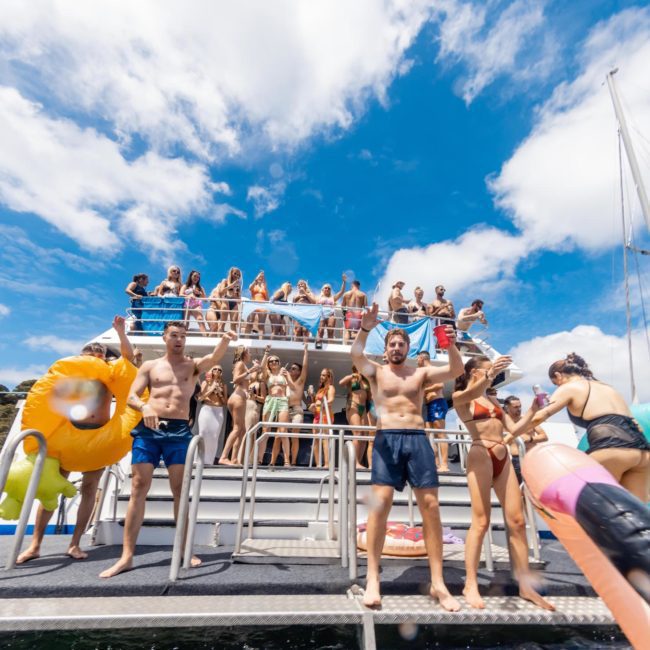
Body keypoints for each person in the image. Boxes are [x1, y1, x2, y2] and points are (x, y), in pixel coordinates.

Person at [99, 323, 235, 578]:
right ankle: (127, 556)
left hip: (178, 432)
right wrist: (144, 407)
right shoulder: (150, 366)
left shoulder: (193, 366)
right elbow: (131, 396)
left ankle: (184, 549)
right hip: (149, 429)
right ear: (165, 338)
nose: (179, 339)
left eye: (183, 336)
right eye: (174, 335)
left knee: (179, 491)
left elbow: (214, 357)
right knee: (139, 486)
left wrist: (225, 339)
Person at [351, 304, 464, 609]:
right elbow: (356, 356)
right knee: (380, 506)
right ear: (386, 348)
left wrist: (451, 344)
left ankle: (438, 583)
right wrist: (365, 328)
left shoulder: (421, 372)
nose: (397, 347)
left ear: (409, 348)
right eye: (392, 344)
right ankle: (373, 578)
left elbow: (456, 370)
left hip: (417, 439)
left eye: (401, 344)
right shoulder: (376, 372)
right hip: (387, 439)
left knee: (431, 506)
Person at [17, 316, 135, 565]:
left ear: (103, 358)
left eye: (98, 353)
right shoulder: (70, 376)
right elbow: (49, 401)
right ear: (81, 356)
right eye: (90, 352)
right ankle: (35, 544)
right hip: (67, 437)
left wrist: (121, 333)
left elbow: (128, 360)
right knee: (51, 491)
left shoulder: (109, 375)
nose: (94, 356)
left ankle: (75, 543)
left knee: (90, 489)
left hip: (99, 437)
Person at [453, 355, 554, 610]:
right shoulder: (462, 397)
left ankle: (525, 585)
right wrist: (486, 377)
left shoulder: (494, 400)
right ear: (474, 372)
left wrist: (533, 409)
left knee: (517, 522)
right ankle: (471, 584)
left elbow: (515, 429)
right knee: (481, 521)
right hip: (480, 454)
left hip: (503, 455)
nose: (494, 374)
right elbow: (471, 392)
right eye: (489, 371)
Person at [510, 353, 649, 502]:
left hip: (611, 448)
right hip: (642, 453)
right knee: (635, 511)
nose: (558, 387)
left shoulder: (569, 387)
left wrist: (510, 435)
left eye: (556, 383)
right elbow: (638, 426)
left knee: (594, 505)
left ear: (558, 375)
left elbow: (538, 417)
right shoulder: (608, 388)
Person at [219, 345, 264, 465]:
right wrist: (250, 370)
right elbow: (235, 379)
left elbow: (251, 378)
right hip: (237, 398)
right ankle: (223, 457)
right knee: (237, 428)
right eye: (249, 352)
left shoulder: (243, 365)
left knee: (242, 430)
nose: (250, 355)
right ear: (244, 353)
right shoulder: (240, 364)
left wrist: (256, 368)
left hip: (240, 398)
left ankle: (234, 458)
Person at [503, 395, 548, 484]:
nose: (519, 409)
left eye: (520, 406)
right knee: (519, 489)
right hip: (517, 459)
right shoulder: (503, 424)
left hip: (533, 457)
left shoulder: (528, 420)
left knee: (536, 486)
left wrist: (530, 439)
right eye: (515, 407)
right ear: (507, 408)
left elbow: (544, 437)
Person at [417, 351, 450, 472]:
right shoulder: (424, 374)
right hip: (428, 405)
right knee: (429, 434)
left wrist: (424, 390)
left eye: (417, 359)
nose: (417, 362)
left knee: (440, 433)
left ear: (422, 358)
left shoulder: (434, 370)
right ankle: (435, 463)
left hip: (437, 403)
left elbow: (440, 385)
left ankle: (445, 465)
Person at [340, 366, 371, 469]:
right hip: (353, 406)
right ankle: (355, 462)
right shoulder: (352, 378)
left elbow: (370, 397)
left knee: (364, 436)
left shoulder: (366, 380)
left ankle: (358, 462)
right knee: (357, 433)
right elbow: (341, 383)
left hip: (364, 409)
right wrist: (353, 375)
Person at [197, 366, 228, 464]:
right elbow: (200, 398)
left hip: (218, 410)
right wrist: (211, 389)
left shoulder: (223, 385)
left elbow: (225, 402)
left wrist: (220, 393)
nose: (217, 371)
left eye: (220, 370)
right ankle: (198, 459)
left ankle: (209, 461)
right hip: (207, 409)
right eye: (215, 369)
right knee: (203, 433)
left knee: (214, 437)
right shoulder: (205, 382)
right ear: (211, 370)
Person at [288, 344, 309, 465]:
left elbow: (305, 366)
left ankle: (293, 461)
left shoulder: (301, 381)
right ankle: (285, 460)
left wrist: (306, 351)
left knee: (294, 436)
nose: (292, 370)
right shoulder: (285, 380)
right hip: (285, 410)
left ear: (299, 371)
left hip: (296, 410)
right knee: (281, 435)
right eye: (291, 368)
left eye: (294, 368)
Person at [309, 368, 335, 468]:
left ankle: (327, 464)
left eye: (324, 375)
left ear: (329, 377)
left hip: (325, 415)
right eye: (321, 375)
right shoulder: (321, 389)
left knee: (325, 439)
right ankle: (318, 463)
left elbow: (331, 400)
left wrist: (320, 404)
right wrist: (312, 399)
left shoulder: (331, 388)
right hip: (317, 415)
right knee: (316, 439)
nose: (321, 377)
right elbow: (317, 402)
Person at [317, 274, 347, 342]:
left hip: (331, 314)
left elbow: (341, 292)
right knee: (320, 331)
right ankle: (318, 345)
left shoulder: (333, 298)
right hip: (321, 314)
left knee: (330, 330)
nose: (327, 289)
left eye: (329, 288)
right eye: (326, 288)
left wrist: (344, 282)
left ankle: (330, 344)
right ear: (323, 289)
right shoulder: (318, 297)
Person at [246, 271, 269, 338]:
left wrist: (265, 287)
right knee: (250, 323)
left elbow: (267, 299)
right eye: (260, 277)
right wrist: (257, 278)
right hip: (253, 305)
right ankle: (246, 339)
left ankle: (260, 341)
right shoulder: (253, 285)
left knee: (261, 325)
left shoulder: (264, 287)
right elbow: (250, 288)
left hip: (262, 306)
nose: (261, 278)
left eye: (262, 277)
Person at [223, 267, 243, 333]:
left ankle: (233, 341)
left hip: (234, 303)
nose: (237, 276)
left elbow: (239, 299)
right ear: (231, 273)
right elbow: (222, 291)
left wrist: (237, 294)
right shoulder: (225, 281)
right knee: (223, 322)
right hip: (226, 301)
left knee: (234, 323)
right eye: (235, 273)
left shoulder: (238, 285)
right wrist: (232, 285)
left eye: (238, 275)